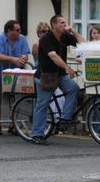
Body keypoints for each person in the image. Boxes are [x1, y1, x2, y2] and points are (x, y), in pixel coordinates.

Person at [31, 14, 85, 145]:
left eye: (65, 22)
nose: (64, 24)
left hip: (59, 74)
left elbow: (83, 45)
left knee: (73, 88)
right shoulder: (46, 39)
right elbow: (53, 56)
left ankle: (65, 119)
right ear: (53, 25)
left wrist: (74, 32)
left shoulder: (65, 36)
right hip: (46, 74)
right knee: (43, 104)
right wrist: (67, 68)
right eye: (61, 22)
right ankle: (37, 134)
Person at [0, 20, 30, 135]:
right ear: (9, 31)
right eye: (17, 30)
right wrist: (14, 59)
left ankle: (13, 124)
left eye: (20, 29)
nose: (20, 32)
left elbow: (25, 53)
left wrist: (23, 58)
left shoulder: (22, 39)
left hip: (14, 74)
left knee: (15, 100)